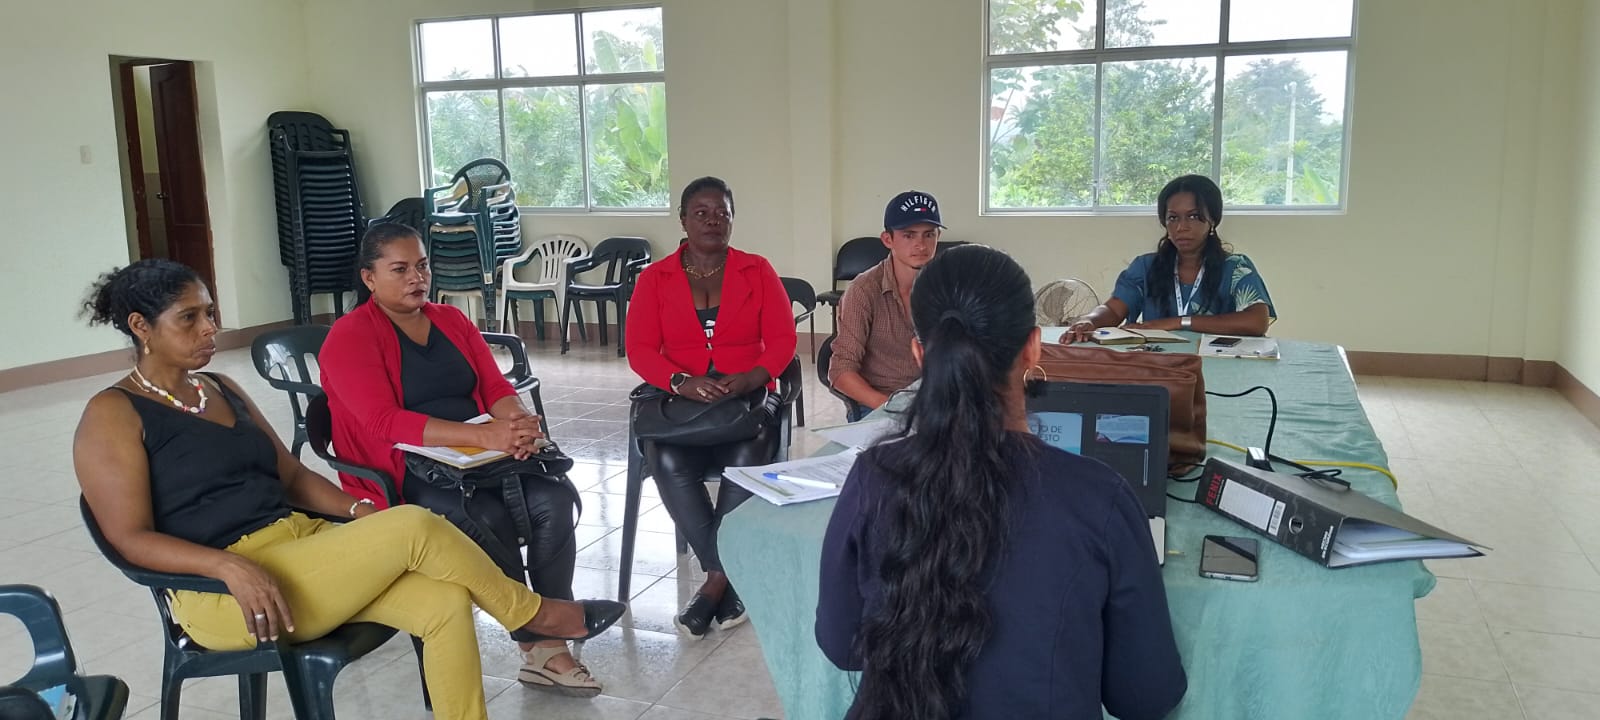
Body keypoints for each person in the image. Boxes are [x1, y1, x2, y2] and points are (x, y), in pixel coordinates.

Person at [72, 259, 624, 720]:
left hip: (296, 550)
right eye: (189, 318)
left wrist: (359, 511)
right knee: (413, 522)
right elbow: (128, 538)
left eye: (210, 313)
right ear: (141, 326)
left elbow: (292, 477)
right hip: (226, 594)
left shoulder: (220, 387)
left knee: (444, 600)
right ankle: (534, 616)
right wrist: (225, 566)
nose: (210, 328)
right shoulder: (112, 414)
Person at [816, 245, 1187, 720]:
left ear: (920, 354)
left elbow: (843, 645)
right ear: (1033, 347)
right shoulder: (1101, 497)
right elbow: (1145, 695)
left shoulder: (874, 477)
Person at [317, 223, 601, 696]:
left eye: (422, 266)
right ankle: (539, 640)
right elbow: (383, 422)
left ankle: (546, 643)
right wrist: (483, 435)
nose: (417, 278)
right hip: (405, 468)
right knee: (485, 515)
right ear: (369, 278)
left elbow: (494, 386)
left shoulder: (450, 320)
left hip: (477, 456)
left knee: (552, 499)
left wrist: (516, 423)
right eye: (400, 269)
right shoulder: (349, 336)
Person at [626, 176, 798, 638]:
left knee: (747, 453)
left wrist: (751, 378)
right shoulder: (655, 278)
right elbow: (639, 348)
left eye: (722, 212)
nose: (712, 220)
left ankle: (713, 584)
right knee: (665, 456)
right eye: (701, 213)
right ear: (683, 220)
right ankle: (725, 575)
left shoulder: (756, 270)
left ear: (732, 218)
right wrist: (680, 381)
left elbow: (783, 340)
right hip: (680, 399)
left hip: (746, 399)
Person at [1067, 174, 1275, 342]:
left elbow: (1257, 321)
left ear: (1212, 219)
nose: (1181, 227)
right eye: (1173, 218)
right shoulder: (1146, 267)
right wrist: (1090, 321)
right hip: (1159, 366)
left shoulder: (1236, 268)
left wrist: (1178, 322)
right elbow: (1113, 309)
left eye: (1193, 216)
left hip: (1220, 365)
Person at [828, 190, 942, 421]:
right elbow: (840, 371)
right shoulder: (864, 290)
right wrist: (893, 408)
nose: (921, 245)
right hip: (880, 403)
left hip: (938, 400)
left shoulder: (950, 285)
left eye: (929, 234)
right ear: (887, 239)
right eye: (909, 235)